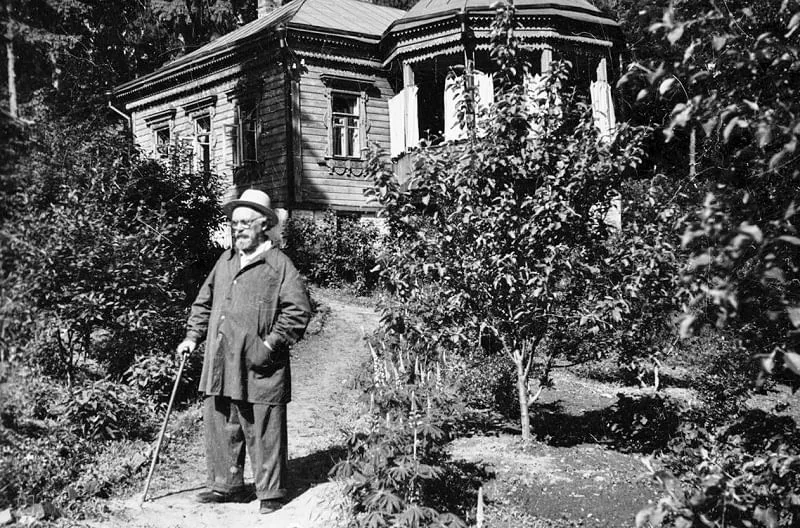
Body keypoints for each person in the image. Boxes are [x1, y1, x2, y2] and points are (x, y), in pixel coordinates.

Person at [176, 189, 311, 514]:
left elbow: (298, 311)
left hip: (260, 362)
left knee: (264, 426)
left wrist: (270, 344)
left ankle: (271, 493)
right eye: (234, 224)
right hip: (221, 358)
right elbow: (204, 302)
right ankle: (226, 486)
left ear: (264, 224)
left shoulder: (279, 265)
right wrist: (192, 337)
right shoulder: (225, 261)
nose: (237, 230)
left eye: (245, 223)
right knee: (222, 421)